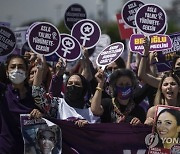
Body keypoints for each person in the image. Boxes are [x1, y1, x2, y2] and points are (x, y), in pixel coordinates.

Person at [32, 56, 100, 127]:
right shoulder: (57, 104)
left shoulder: (91, 110)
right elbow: (37, 94)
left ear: (84, 88)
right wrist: (39, 69)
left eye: (77, 84)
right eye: (70, 83)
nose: (73, 86)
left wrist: (88, 126)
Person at [0, 54, 42, 154]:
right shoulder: (2, 92)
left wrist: (40, 114)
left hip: (29, 150)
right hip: (5, 149)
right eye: (13, 67)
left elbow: (49, 114)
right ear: (7, 72)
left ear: (27, 72)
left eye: (21, 67)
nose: (17, 69)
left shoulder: (34, 94)